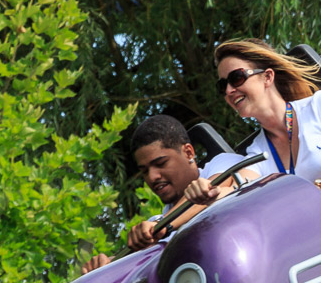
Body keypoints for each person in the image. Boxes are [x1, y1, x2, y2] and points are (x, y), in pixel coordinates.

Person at [185, 39, 321, 233]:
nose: (229, 90)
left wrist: (317, 189)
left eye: (237, 78)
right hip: (314, 238)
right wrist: (212, 194)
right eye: (222, 85)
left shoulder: (320, 107)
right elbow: (238, 193)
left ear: (267, 77)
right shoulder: (257, 152)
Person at [80, 115, 257, 273]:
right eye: (144, 171)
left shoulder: (223, 162)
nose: (152, 177)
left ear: (188, 152)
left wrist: (162, 226)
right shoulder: (155, 227)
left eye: (161, 163)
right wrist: (106, 267)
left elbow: (212, 188)